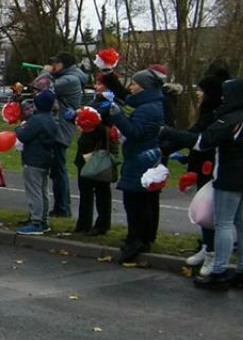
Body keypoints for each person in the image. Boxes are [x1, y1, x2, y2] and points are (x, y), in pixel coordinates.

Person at [162, 78, 243, 290]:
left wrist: (168, 132)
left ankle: (218, 272)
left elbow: (202, 143)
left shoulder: (229, 120)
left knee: (223, 224)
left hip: (230, 177)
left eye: (227, 93)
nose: (224, 98)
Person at [171, 68, 231, 275]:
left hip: (211, 169)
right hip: (201, 166)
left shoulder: (215, 116)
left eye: (200, 90)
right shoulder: (206, 113)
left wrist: (167, 139)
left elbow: (198, 139)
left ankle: (213, 254)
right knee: (204, 212)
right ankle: (206, 247)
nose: (197, 93)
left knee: (210, 214)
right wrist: (188, 158)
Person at [105, 69, 165, 264]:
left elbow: (135, 132)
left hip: (140, 160)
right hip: (145, 158)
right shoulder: (151, 105)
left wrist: (117, 116)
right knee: (144, 201)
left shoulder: (147, 109)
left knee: (135, 202)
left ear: (144, 87)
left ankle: (137, 239)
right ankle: (142, 238)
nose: (130, 87)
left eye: (134, 84)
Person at [73, 76, 118, 236]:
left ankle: (102, 224)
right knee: (84, 189)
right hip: (85, 148)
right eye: (97, 84)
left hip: (100, 150)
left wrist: (95, 122)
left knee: (101, 189)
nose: (97, 87)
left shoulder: (112, 103)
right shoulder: (94, 101)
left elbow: (109, 127)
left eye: (100, 84)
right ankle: (83, 223)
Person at [46, 52, 87, 217]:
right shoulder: (69, 77)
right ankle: (60, 206)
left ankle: (63, 207)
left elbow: (43, 86)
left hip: (61, 129)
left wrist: (46, 72)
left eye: (56, 63)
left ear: (64, 64)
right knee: (57, 170)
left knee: (59, 169)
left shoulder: (70, 80)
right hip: (60, 127)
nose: (53, 66)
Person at [16, 90, 60, 235]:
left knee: (34, 191)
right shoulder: (51, 119)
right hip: (45, 158)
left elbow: (24, 136)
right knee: (43, 190)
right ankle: (43, 219)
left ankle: (36, 221)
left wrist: (19, 128)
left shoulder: (37, 120)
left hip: (33, 159)